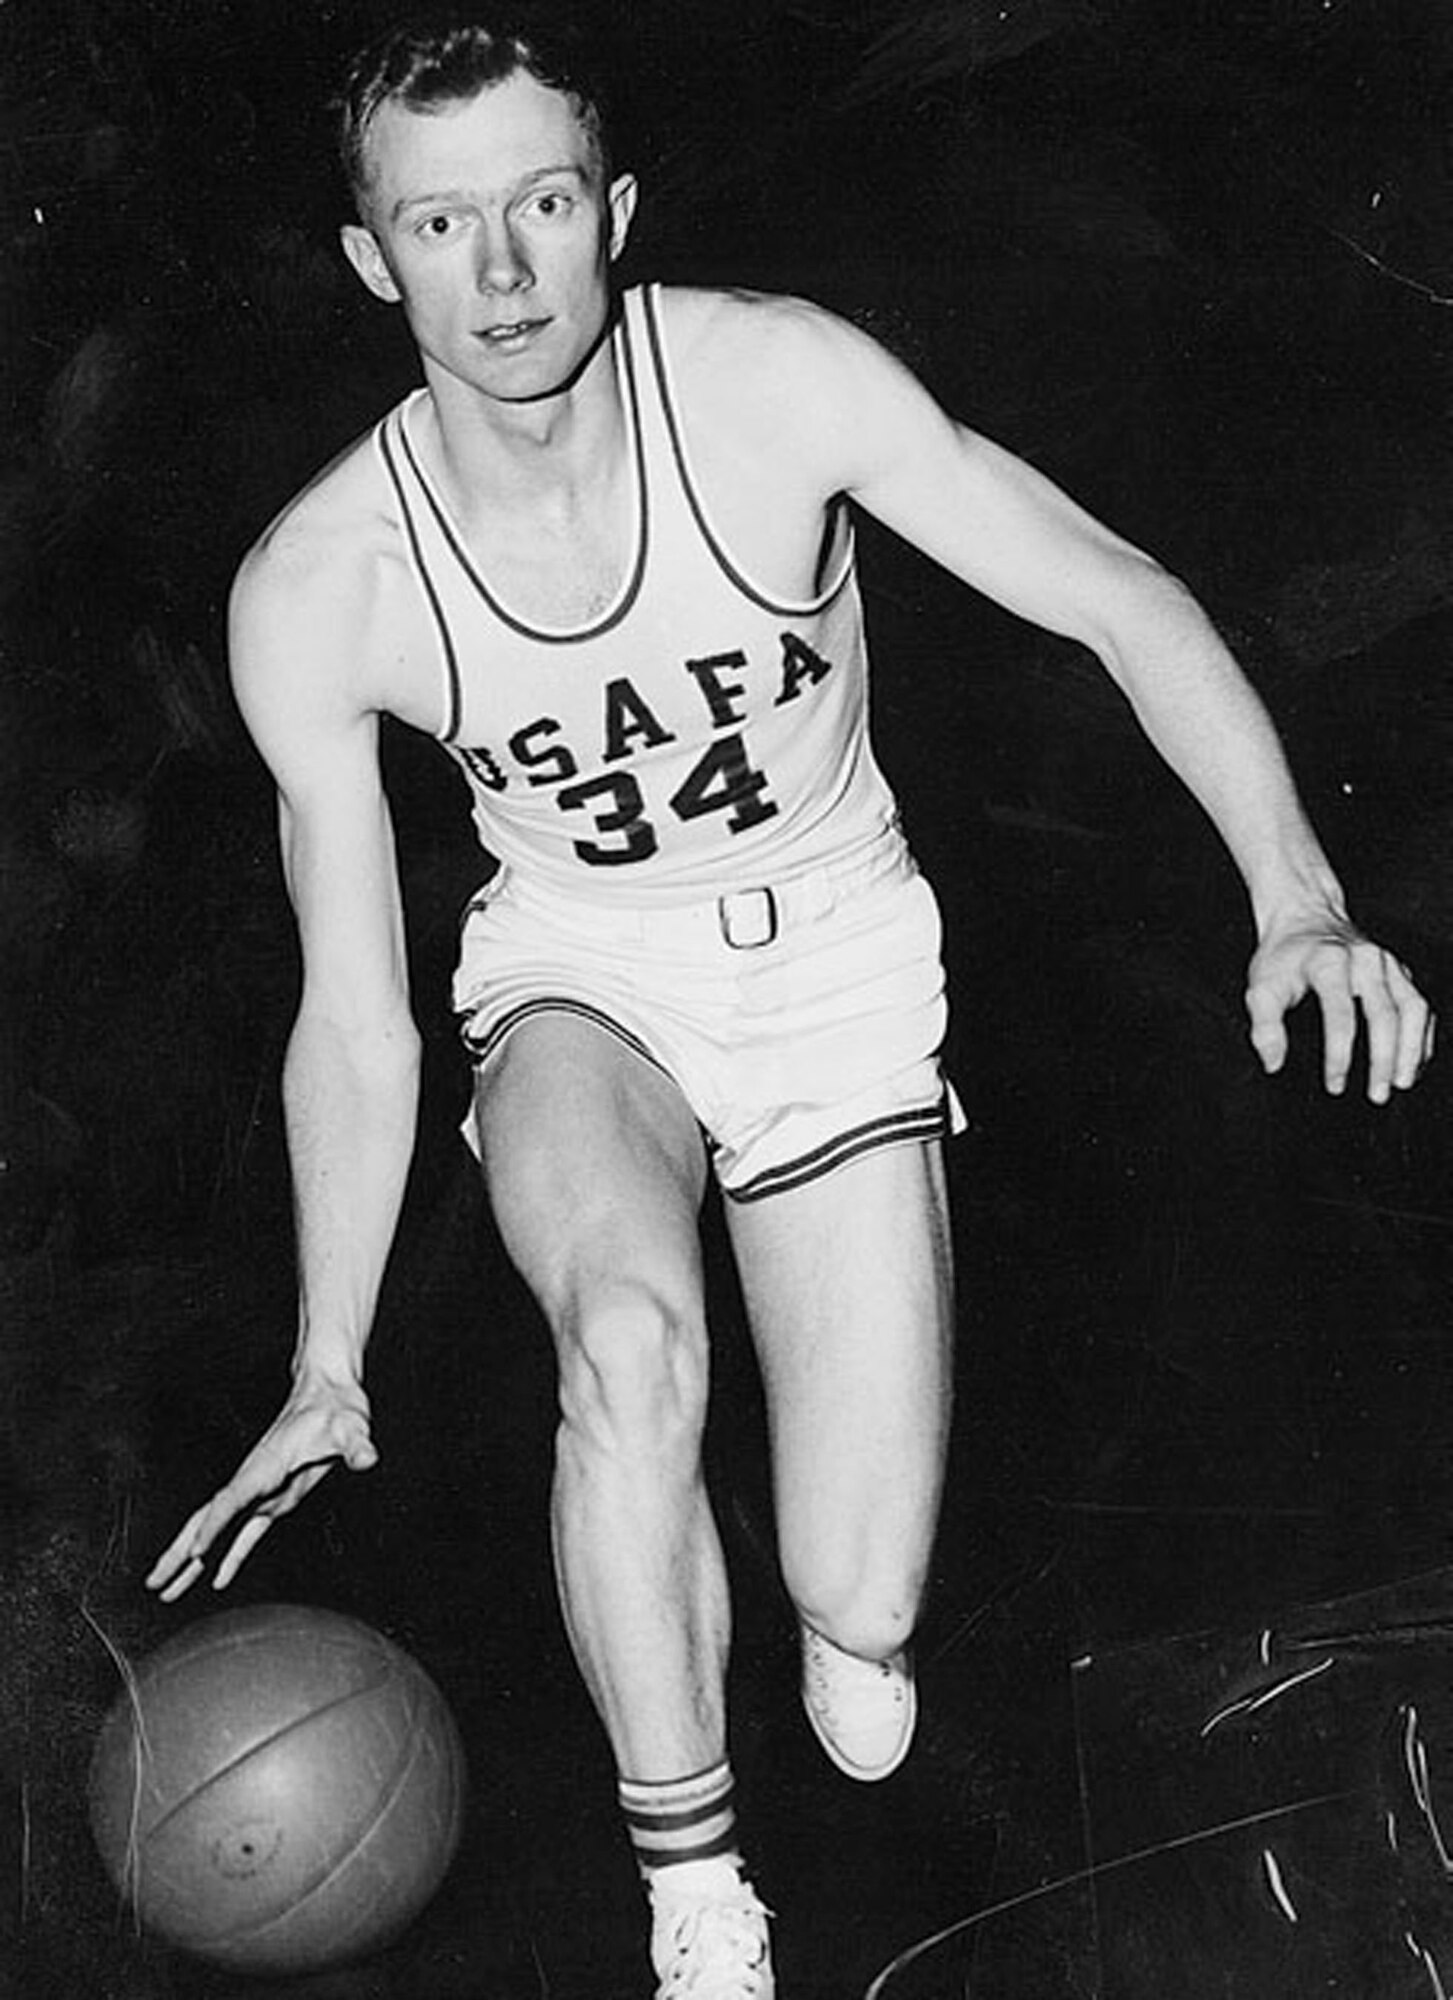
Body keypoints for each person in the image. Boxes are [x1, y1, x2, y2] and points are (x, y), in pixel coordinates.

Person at [146, 13, 1435, 1996]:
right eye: (439, 224)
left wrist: (1295, 894)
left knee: (858, 1590)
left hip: (836, 953)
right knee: (630, 1350)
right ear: (368, 258)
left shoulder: (769, 383)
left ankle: (849, 1603)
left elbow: (1107, 588)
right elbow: (356, 1014)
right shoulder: (321, 582)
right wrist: (329, 1355)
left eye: (543, 207)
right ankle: (697, 1897)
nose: (499, 277)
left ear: (614, 214)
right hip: (585, 968)